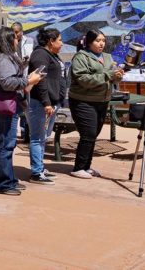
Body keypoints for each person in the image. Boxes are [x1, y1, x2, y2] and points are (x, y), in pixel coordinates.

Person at [0, 26, 42, 195]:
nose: (18, 40)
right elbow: (7, 82)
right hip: (5, 104)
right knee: (5, 144)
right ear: (9, 40)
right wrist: (28, 80)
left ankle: (7, 179)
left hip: (10, 104)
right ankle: (3, 183)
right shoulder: (3, 58)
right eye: (15, 38)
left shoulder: (5, 57)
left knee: (7, 144)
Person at [68, 30, 124, 179]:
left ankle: (86, 166)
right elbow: (83, 79)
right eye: (98, 40)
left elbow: (111, 78)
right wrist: (108, 74)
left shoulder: (107, 57)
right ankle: (78, 167)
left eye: (103, 41)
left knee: (94, 135)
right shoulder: (81, 57)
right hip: (83, 101)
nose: (101, 44)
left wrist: (117, 76)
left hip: (102, 100)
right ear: (89, 42)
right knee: (88, 134)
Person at [26, 27, 67, 183]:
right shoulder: (40, 55)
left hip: (51, 102)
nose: (62, 43)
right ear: (51, 41)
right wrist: (46, 103)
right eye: (60, 40)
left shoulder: (51, 55)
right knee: (37, 137)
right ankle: (36, 173)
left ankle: (40, 167)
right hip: (40, 103)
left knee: (43, 137)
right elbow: (40, 80)